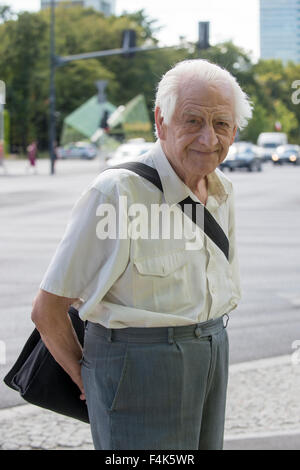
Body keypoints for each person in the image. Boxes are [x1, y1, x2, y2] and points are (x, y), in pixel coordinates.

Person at [31, 59, 252, 450]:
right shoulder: (117, 193)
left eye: (221, 123)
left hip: (213, 352)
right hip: (136, 368)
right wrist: (89, 379)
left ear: (234, 130)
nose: (209, 138)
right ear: (160, 121)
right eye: (192, 121)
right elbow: (48, 310)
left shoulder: (223, 192)